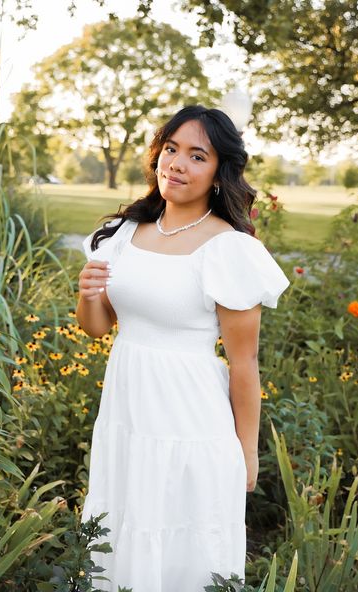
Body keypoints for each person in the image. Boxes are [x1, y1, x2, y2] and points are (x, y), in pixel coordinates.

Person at [76, 105, 290, 591]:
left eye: (197, 156)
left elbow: (244, 361)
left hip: (189, 419)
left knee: (182, 542)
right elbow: (97, 328)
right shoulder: (123, 234)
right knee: (124, 527)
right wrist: (87, 294)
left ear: (218, 173)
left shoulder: (228, 248)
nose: (177, 164)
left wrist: (247, 451)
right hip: (127, 415)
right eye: (171, 149)